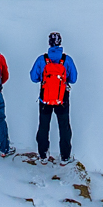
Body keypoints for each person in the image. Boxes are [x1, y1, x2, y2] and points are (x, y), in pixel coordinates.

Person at [30, 32, 78, 162]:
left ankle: (43, 155)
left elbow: (33, 77)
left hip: (45, 97)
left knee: (44, 125)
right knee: (64, 126)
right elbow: (73, 79)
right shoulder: (67, 60)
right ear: (60, 42)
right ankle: (65, 157)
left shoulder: (42, 59)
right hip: (62, 98)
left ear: (49, 43)